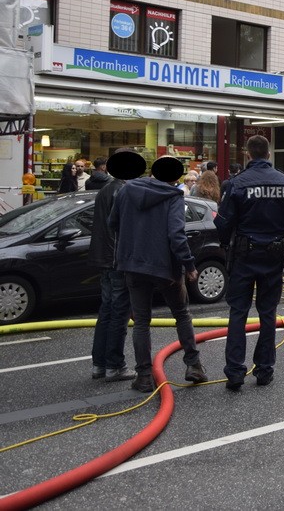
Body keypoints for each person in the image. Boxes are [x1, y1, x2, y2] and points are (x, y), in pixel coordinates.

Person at [109, 155, 208, 393]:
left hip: (132, 265)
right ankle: (193, 365)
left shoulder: (126, 190)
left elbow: (112, 223)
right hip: (165, 268)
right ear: (175, 178)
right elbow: (176, 235)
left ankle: (143, 376)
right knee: (181, 315)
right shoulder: (173, 197)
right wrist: (189, 265)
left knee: (141, 322)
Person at [215, 135, 284, 391]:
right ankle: (264, 370)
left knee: (238, 314)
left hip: (243, 256)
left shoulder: (236, 183)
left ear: (247, 154)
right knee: (267, 314)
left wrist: (226, 246)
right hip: (273, 256)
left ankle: (235, 372)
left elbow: (222, 223)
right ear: (268, 155)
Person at [88, 148, 145, 382]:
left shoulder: (104, 190)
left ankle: (99, 365)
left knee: (107, 311)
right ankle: (115, 365)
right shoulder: (124, 191)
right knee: (119, 313)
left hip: (104, 258)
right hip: (118, 259)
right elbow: (127, 228)